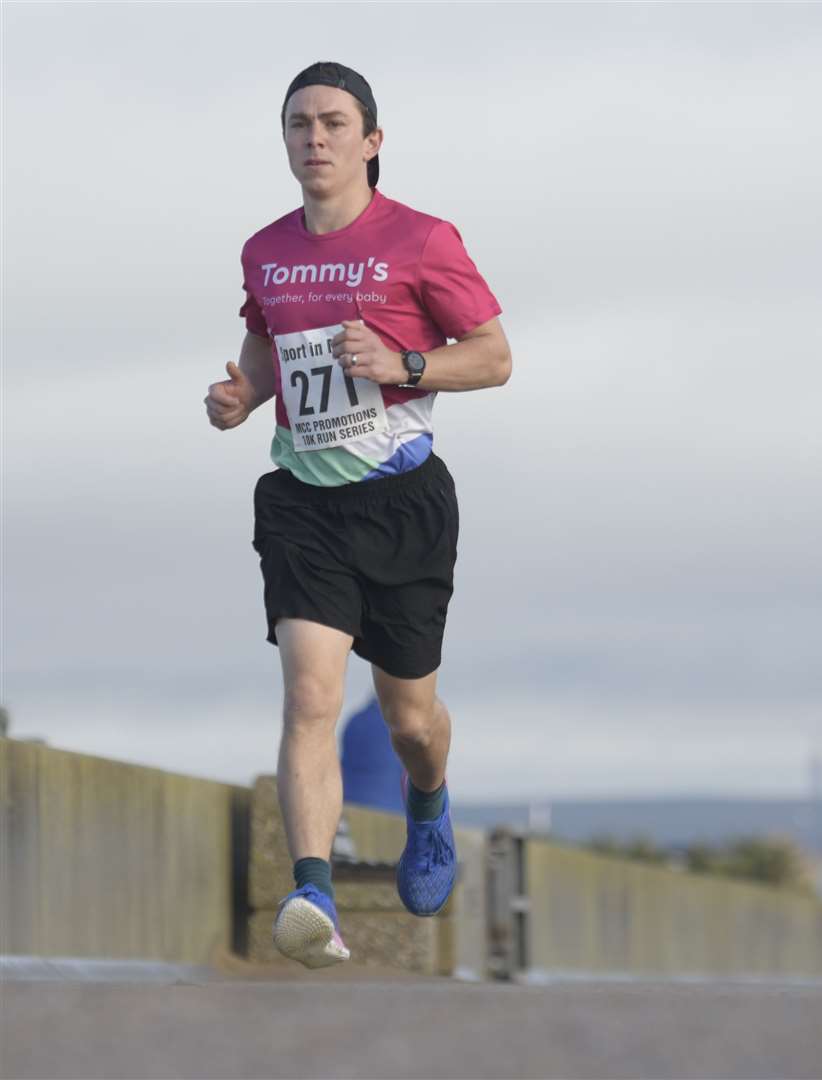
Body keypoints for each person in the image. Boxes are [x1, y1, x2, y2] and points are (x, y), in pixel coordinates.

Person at [203, 61, 511, 968]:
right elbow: (266, 342)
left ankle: (429, 804)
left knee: (409, 719)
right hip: (305, 503)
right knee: (310, 692)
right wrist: (244, 396)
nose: (316, 139)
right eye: (299, 125)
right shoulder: (266, 249)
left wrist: (404, 365)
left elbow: (492, 357)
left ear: (371, 140)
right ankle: (312, 893)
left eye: (334, 123)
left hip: (403, 503)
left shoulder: (421, 239)